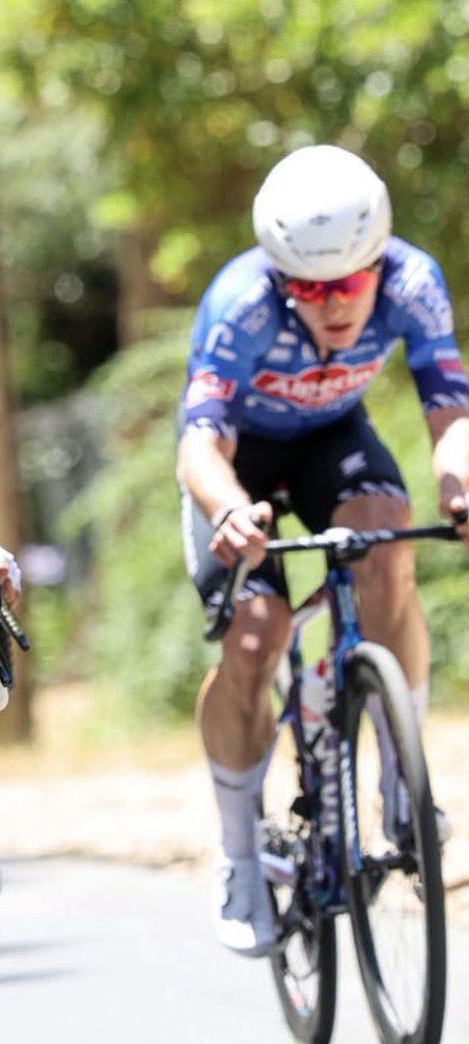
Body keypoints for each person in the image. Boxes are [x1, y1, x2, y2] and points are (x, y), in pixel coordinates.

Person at [176, 144, 469, 958]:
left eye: (350, 283)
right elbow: (200, 446)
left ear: (379, 259)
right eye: (310, 288)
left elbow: (451, 411)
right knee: (255, 634)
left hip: (333, 439)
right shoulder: (241, 305)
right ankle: (239, 855)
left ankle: (403, 785)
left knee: (389, 539)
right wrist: (231, 511)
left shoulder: (412, 281)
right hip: (238, 465)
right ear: (279, 276)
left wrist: (460, 487)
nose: (335, 306)